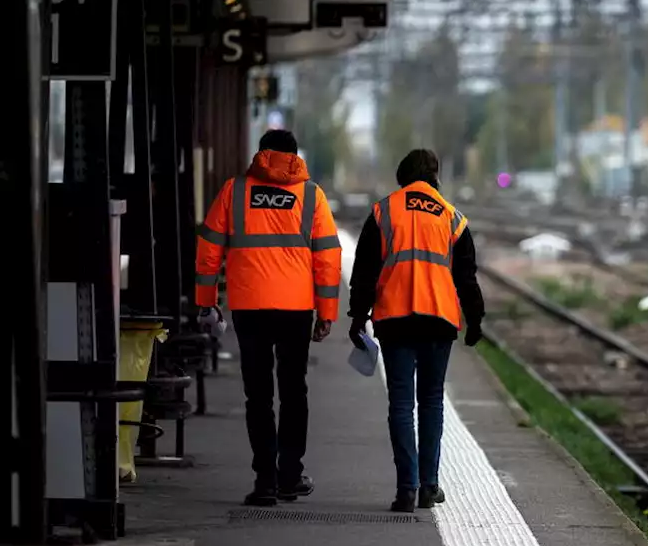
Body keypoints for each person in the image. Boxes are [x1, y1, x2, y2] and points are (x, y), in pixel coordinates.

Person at [195, 129, 341, 507]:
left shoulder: (235, 190)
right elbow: (327, 257)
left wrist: (206, 300)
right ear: (295, 156)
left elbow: (209, 248)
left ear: (261, 153)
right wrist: (326, 312)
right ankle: (290, 476)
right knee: (294, 392)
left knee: (257, 394)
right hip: (295, 309)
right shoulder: (311, 195)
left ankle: (265, 481)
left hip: (249, 307)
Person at [347, 149, 485, 512]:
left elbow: (363, 271)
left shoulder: (384, 211)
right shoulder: (453, 219)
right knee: (431, 402)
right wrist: (476, 320)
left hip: (394, 318)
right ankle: (429, 485)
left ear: (402, 175)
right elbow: (466, 278)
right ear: (435, 175)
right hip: (438, 320)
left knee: (402, 403)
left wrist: (357, 316)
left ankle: (406, 489)